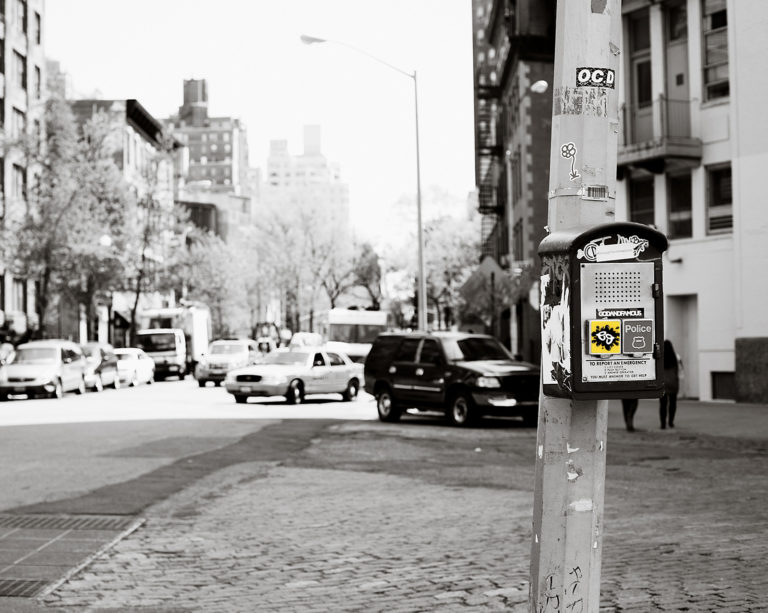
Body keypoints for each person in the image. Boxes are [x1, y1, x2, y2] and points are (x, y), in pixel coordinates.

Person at [659, 339, 681, 429]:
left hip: (663, 383)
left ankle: (663, 423)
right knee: (673, 403)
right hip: (673, 383)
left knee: (663, 404)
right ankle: (671, 421)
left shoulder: (660, 357)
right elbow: (679, 370)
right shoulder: (675, 357)